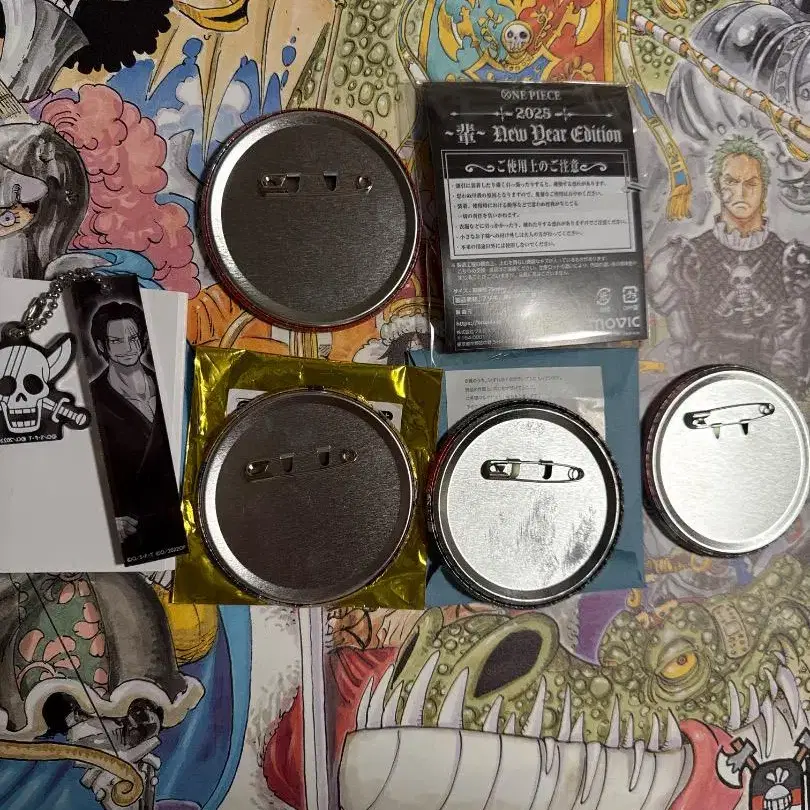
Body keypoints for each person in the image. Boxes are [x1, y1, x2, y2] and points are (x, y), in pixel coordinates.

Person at [647, 136, 809, 378]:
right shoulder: (681, 259)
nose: (741, 192)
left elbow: (792, 358)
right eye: (731, 182)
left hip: (773, 388)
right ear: (717, 186)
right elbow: (687, 350)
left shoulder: (795, 261)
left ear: (764, 189)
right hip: (706, 384)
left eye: (751, 183)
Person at [89, 301, 183, 562]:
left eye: (133, 338)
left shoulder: (171, 381)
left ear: (143, 340)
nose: (128, 348)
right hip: (134, 534)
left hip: (185, 517)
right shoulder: (93, 400)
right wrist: (105, 517)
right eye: (116, 341)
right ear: (101, 346)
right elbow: (77, 470)